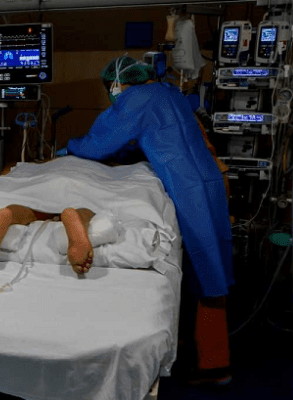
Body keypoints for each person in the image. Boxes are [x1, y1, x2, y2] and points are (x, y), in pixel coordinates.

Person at [62, 55, 234, 385]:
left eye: (110, 87)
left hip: (188, 191)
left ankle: (216, 367)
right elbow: (155, 138)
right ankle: (194, 346)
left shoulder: (136, 99)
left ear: (117, 83)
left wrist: (68, 149)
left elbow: (101, 143)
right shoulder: (168, 92)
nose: (112, 94)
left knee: (207, 276)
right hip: (209, 182)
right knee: (204, 269)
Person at [0, 206, 96, 274]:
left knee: (27, 211)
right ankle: (78, 219)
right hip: (75, 192)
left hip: (35, 199)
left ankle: (7, 214)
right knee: (86, 211)